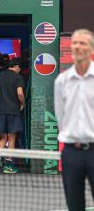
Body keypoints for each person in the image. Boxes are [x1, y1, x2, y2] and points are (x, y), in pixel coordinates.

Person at [54, 29, 94, 211]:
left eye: (83, 43)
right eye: (75, 43)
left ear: (91, 48)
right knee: (74, 206)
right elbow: (61, 118)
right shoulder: (62, 81)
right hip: (71, 154)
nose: (78, 46)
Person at [0, 58, 24, 174]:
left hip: (0, 111)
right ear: (16, 67)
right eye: (19, 69)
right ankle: (9, 166)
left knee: (3, 138)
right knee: (11, 138)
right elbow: (20, 93)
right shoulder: (18, 77)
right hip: (13, 111)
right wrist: (22, 103)